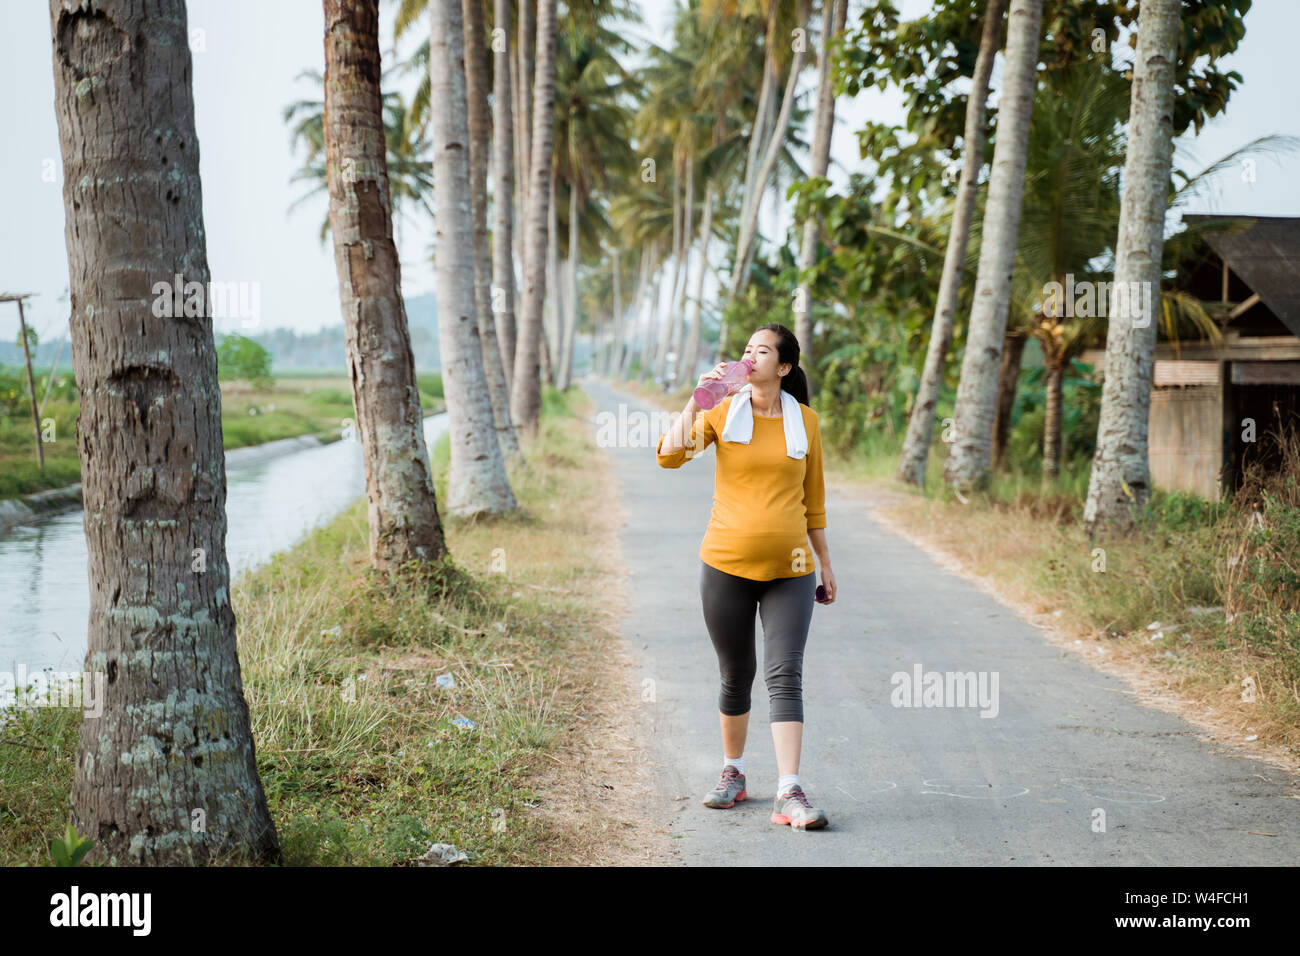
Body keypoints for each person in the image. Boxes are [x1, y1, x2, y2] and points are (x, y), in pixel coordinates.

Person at [655, 323, 836, 830]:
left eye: (763, 351)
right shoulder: (720, 412)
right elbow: (670, 455)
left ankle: (789, 790)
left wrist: (825, 562)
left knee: (786, 674)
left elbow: (814, 502)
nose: (750, 357)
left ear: (783, 367)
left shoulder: (808, 423)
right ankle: (732, 772)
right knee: (736, 674)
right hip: (724, 565)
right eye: (746, 350)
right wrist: (698, 399)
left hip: (792, 570)